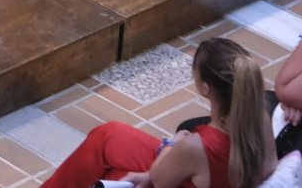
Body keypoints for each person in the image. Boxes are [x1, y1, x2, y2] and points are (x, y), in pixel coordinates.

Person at [39, 37, 277, 188]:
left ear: (205, 88)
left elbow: (156, 178)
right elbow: (269, 167)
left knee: (114, 175)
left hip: (176, 173)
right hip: (200, 174)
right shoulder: (260, 119)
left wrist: (173, 143)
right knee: (110, 135)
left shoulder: (198, 146)